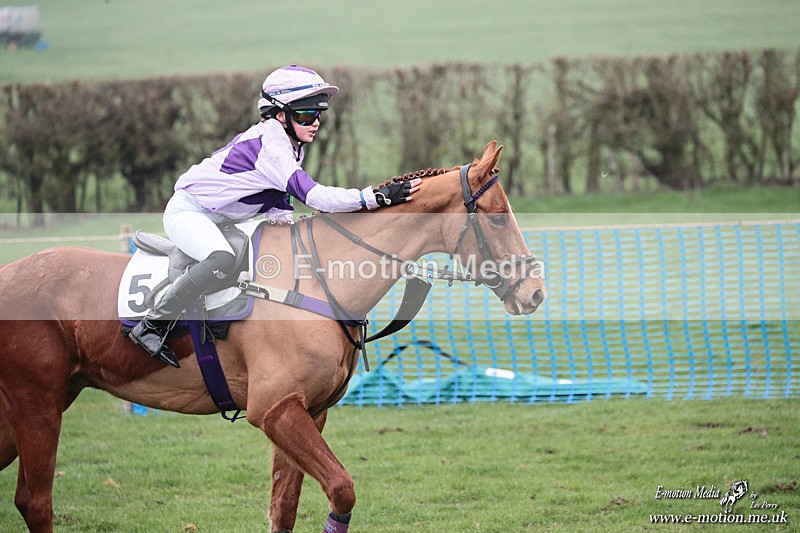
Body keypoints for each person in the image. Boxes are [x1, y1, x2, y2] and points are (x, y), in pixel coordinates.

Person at [129, 65, 421, 368]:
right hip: (189, 212)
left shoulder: (291, 145)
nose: (316, 122)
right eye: (306, 115)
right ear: (280, 114)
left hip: (220, 218)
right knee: (221, 259)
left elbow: (281, 208)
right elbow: (315, 196)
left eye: (319, 114)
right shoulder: (273, 147)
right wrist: (372, 197)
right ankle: (153, 324)